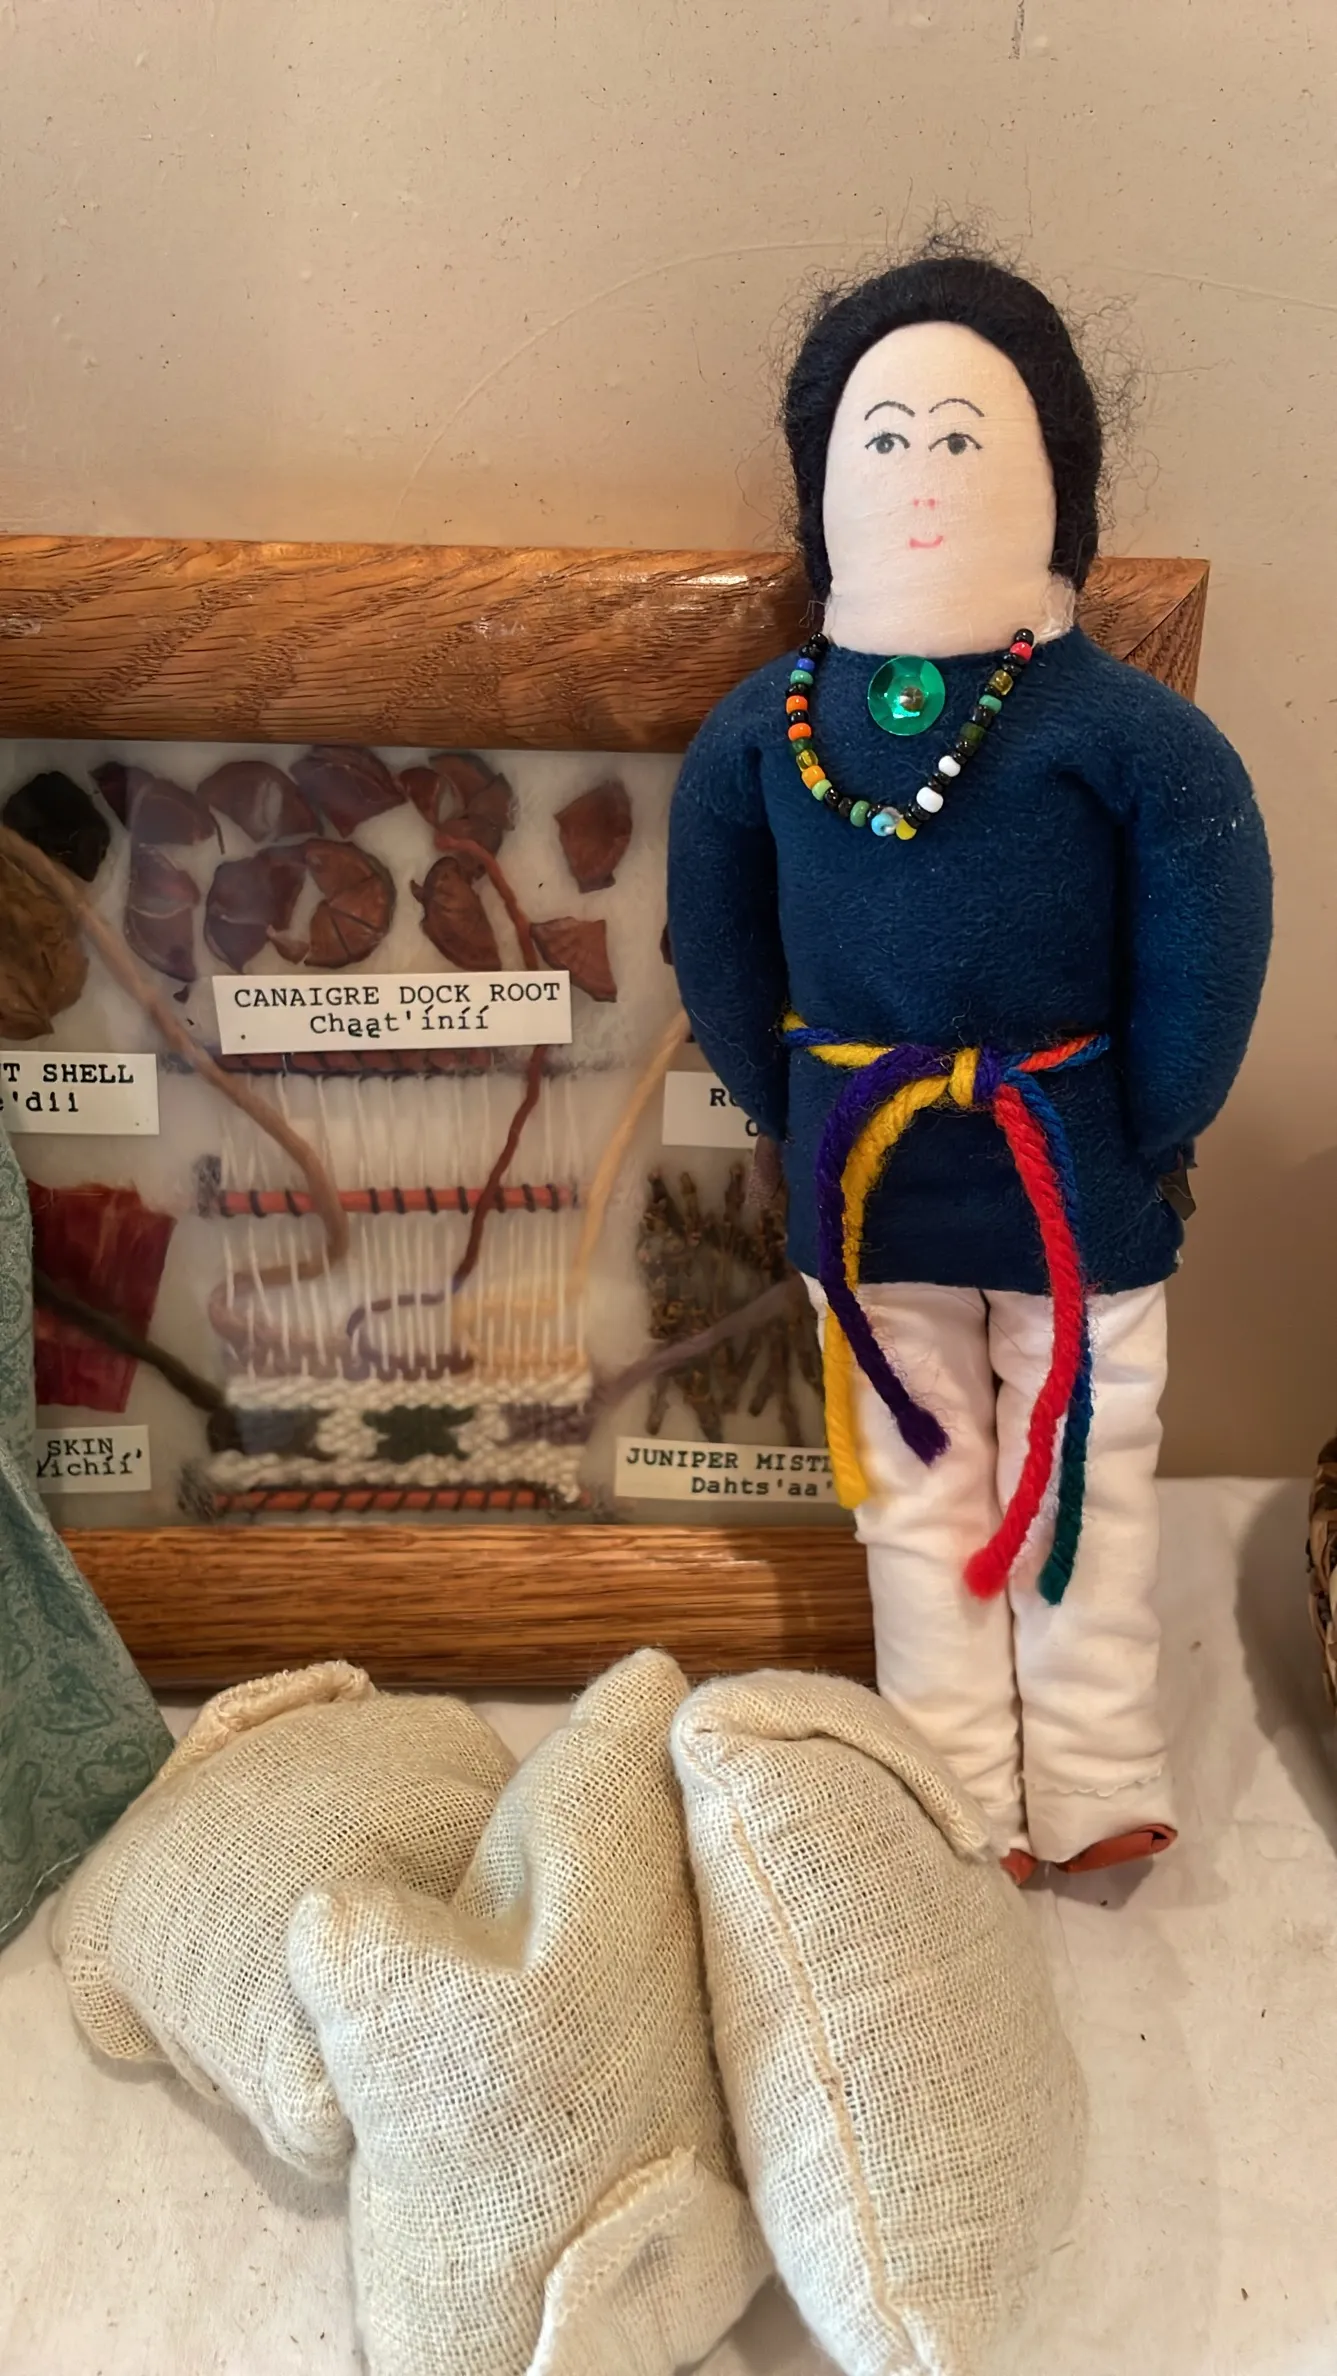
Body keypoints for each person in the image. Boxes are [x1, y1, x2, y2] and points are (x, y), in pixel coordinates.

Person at [667, 252, 1271, 1878]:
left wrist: (1159, 1115)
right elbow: (715, 939)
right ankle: (951, 1793)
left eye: (961, 439)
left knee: (1092, 1470)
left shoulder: (1121, 732)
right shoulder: (769, 730)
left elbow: (1209, 917)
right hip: (868, 1183)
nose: (923, 473)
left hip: (1076, 1171)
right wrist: (787, 1105)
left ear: (1054, 479)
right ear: (826, 487)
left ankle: (1095, 1773)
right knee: (909, 1488)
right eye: (886, 441)